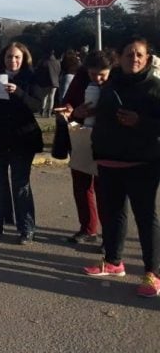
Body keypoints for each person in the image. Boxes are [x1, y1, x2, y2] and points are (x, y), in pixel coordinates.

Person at [82, 37, 160, 298]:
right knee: (113, 214)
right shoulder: (109, 84)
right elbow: (96, 116)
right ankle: (114, 262)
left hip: (143, 162)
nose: (134, 59)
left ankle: (153, 273)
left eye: (139, 55)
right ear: (121, 57)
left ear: (147, 59)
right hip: (108, 159)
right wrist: (77, 113)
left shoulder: (154, 88)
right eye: (129, 54)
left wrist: (140, 121)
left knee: (145, 217)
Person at [0, 41, 43, 245]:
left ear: (24, 59)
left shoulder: (31, 78)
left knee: (21, 184)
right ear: (2, 59)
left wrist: (18, 92)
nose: (12, 60)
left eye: (17, 57)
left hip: (22, 139)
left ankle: (26, 228)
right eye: (9, 57)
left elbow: (36, 105)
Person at [54, 50, 115, 244]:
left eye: (102, 75)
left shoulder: (118, 82)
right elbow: (68, 103)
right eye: (92, 74)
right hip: (81, 137)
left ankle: (111, 238)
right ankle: (88, 228)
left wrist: (101, 111)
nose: (97, 79)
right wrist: (73, 111)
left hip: (107, 140)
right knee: (81, 185)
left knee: (104, 190)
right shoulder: (80, 77)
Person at [36, 49, 61, 117]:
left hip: (46, 81)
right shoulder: (57, 62)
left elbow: (40, 71)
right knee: (51, 97)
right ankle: (49, 113)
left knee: (44, 97)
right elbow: (59, 72)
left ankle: (42, 111)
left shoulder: (45, 62)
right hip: (55, 82)